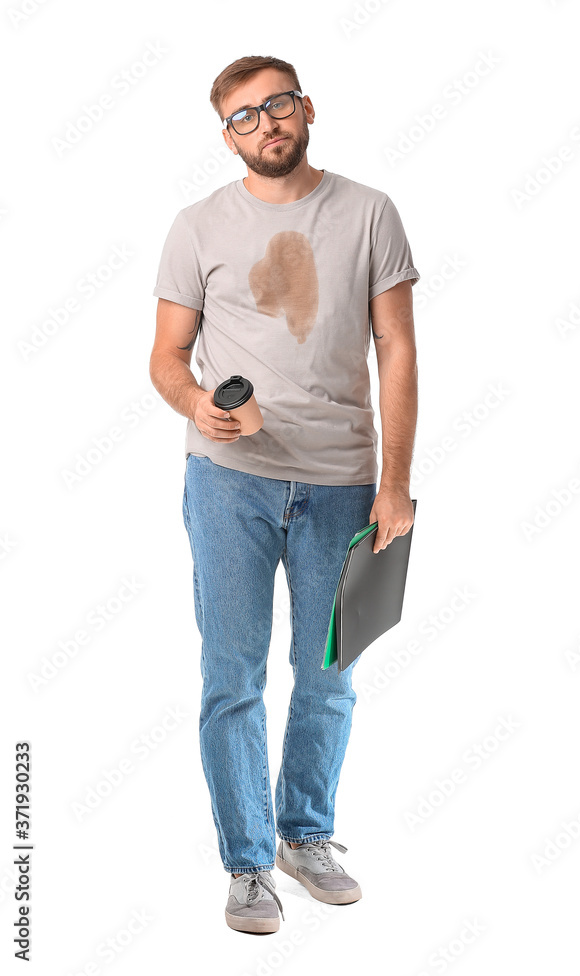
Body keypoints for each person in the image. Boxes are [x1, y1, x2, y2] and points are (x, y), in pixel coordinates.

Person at [149, 54, 420, 935]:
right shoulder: (197, 225)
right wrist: (199, 405)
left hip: (344, 482)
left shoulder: (370, 212)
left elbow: (398, 351)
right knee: (231, 674)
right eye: (242, 116)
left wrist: (397, 485)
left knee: (330, 669)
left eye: (276, 105)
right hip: (228, 482)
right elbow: (165, 356)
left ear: (307, 108)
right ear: (226, 136)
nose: (263, 124)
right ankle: (247, 861)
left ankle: (305, 835)